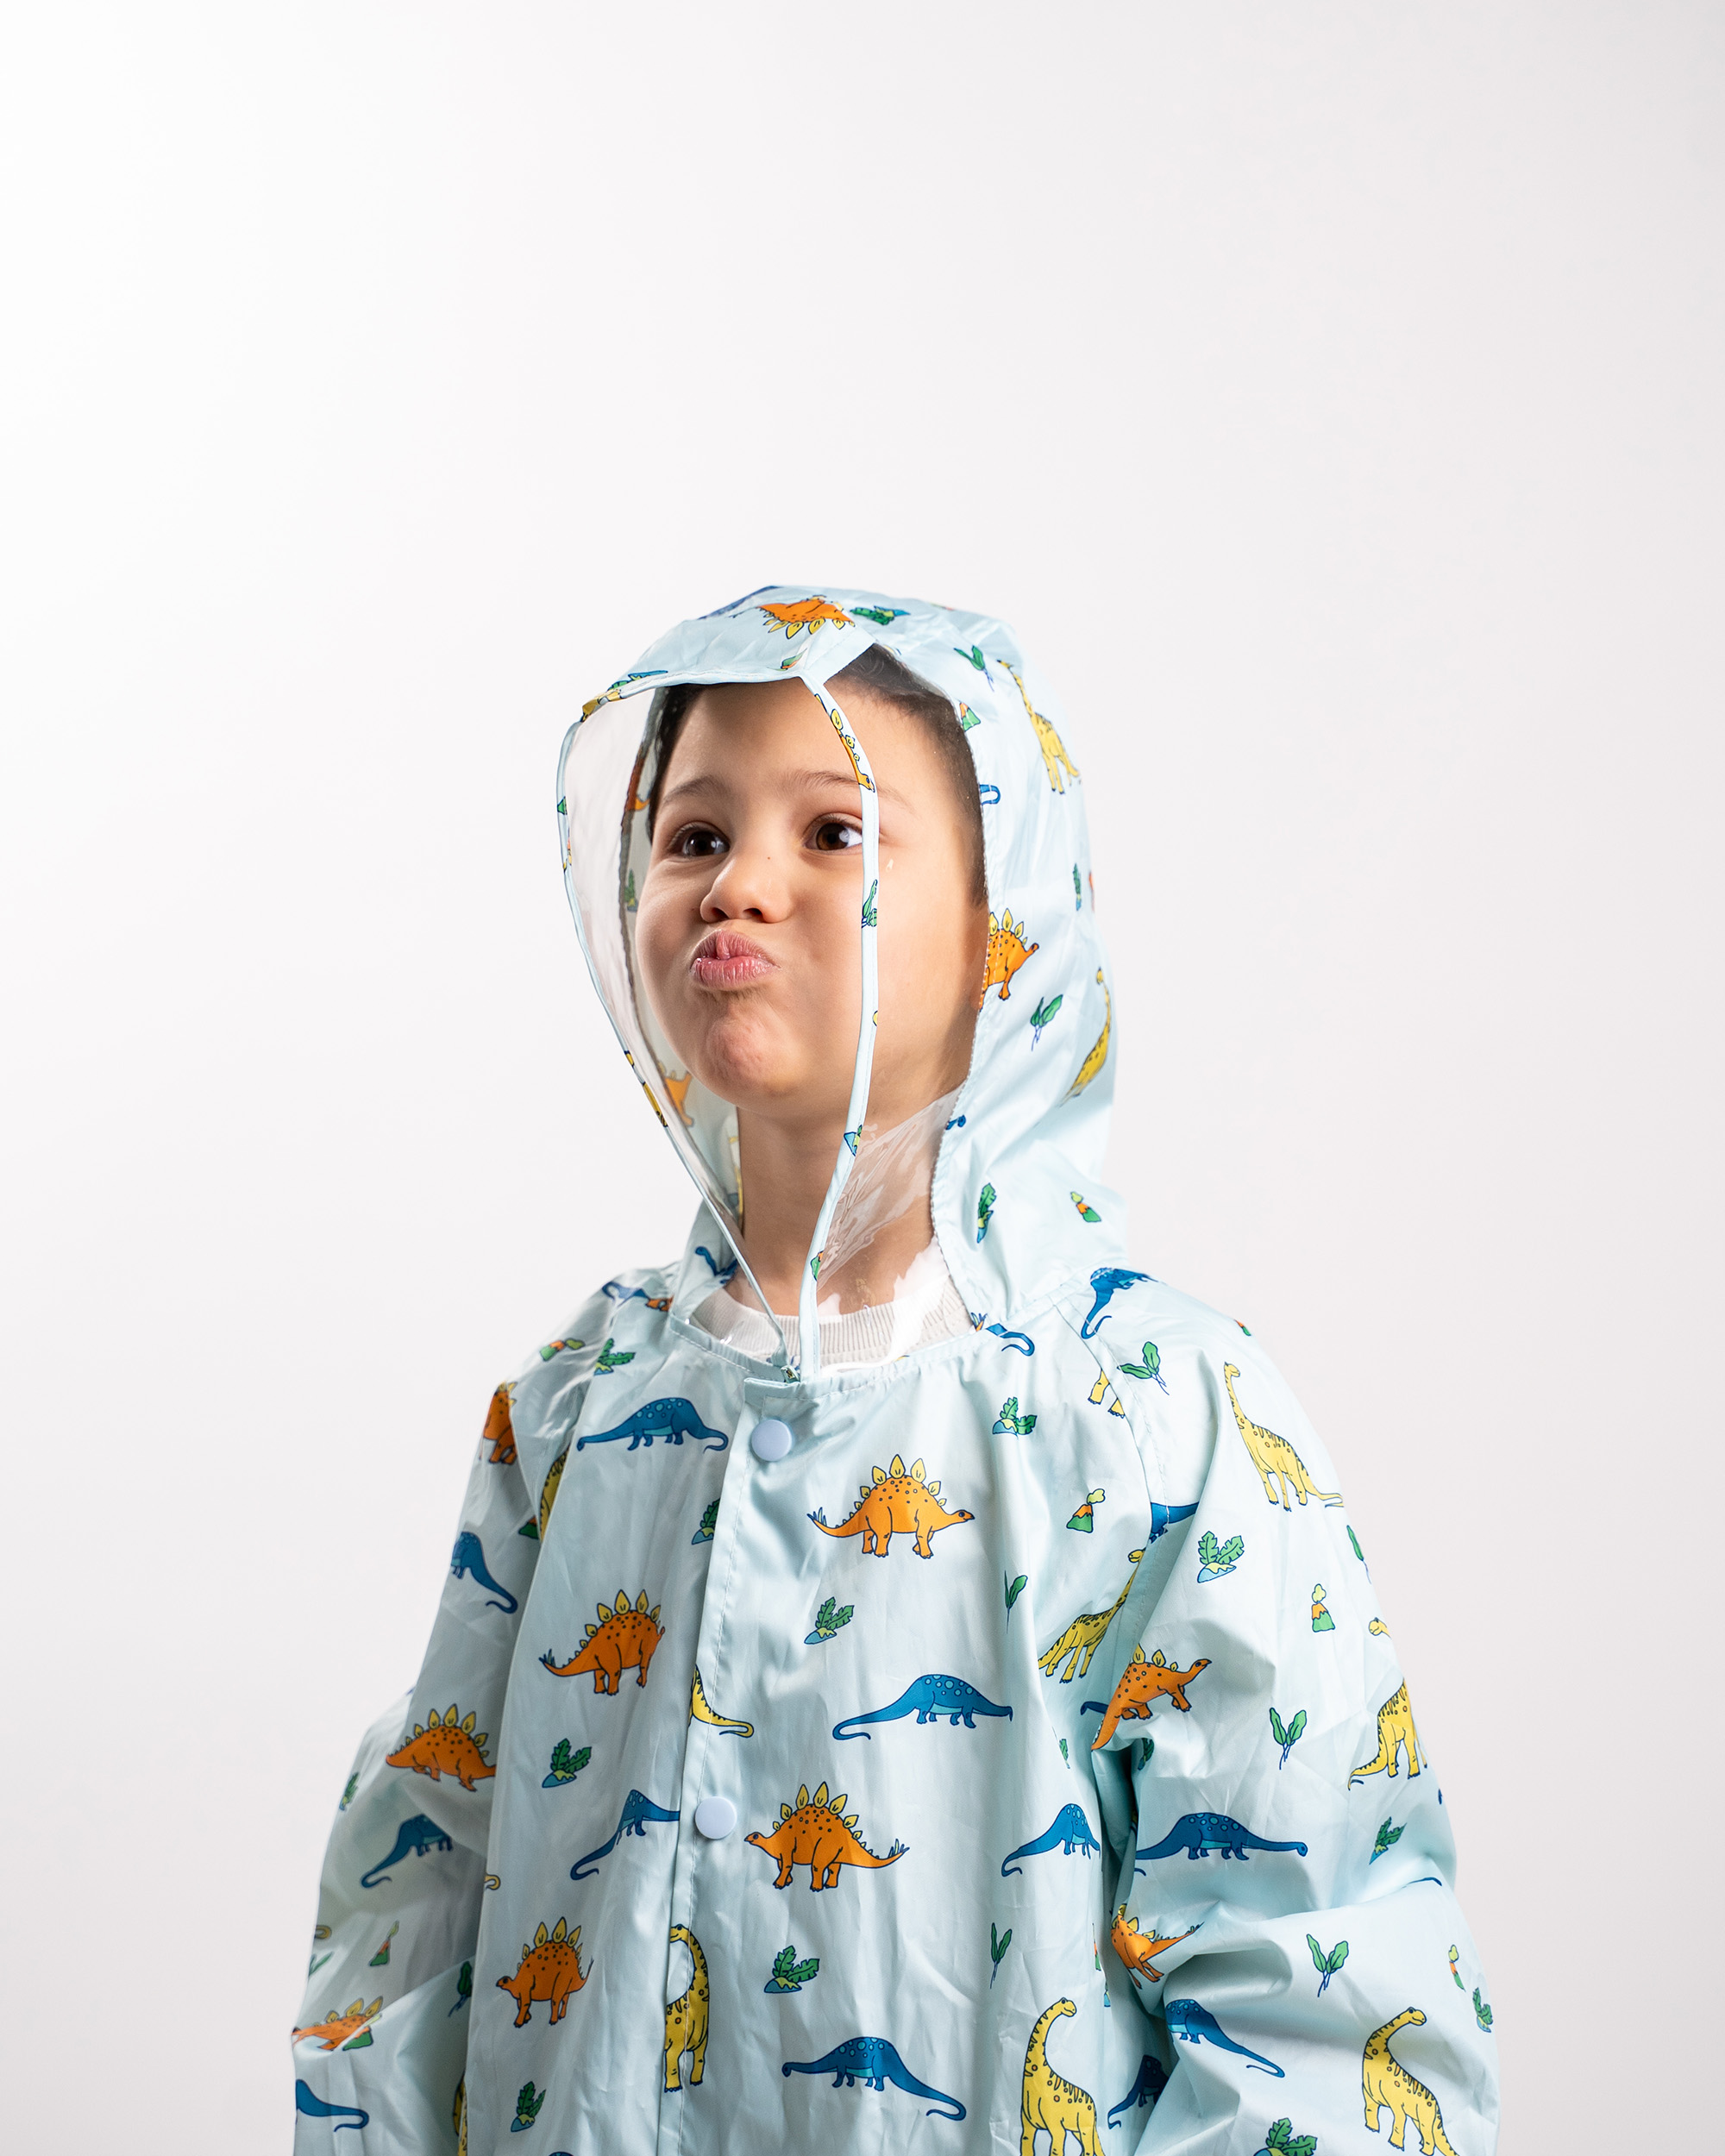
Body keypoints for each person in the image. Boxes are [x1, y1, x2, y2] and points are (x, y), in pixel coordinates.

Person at [293, 589, 1499, 2154]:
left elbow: (1316, 1978)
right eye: (694, 834)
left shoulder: (1151, 1415)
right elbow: (422, 1902)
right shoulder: (579, 1402)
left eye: (836, 833)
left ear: (1007, 922)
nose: (742, 884)